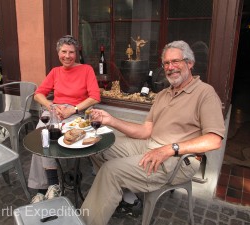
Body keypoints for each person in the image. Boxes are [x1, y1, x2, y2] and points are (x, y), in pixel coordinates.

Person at [80, 40, 225, 225]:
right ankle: (124, 196)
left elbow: (214, 140)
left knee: (111, 171)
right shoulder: (164, 94)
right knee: (98, 144)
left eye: (175, 61)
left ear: (190, 63)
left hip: (179, 159)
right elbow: (145, 130)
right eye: (166, 63)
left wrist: (169, 149)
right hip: (149, 145)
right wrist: (111, 120)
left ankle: (86, 221)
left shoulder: (205, 93)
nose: (170, 67)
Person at [28, 35, 100, 203]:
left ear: (77, 53)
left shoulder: (86, 69)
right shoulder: (55, 71)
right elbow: (38, 94)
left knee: (48, 139)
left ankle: (47, 186)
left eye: (71, 52)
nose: (67, 56)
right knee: (41, 137)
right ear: (58, 52)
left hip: (75, 113)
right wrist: (51, 106)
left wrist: (73, 109)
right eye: (63, 52)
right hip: (55, 110)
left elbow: (95, 97)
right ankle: (49, 185)